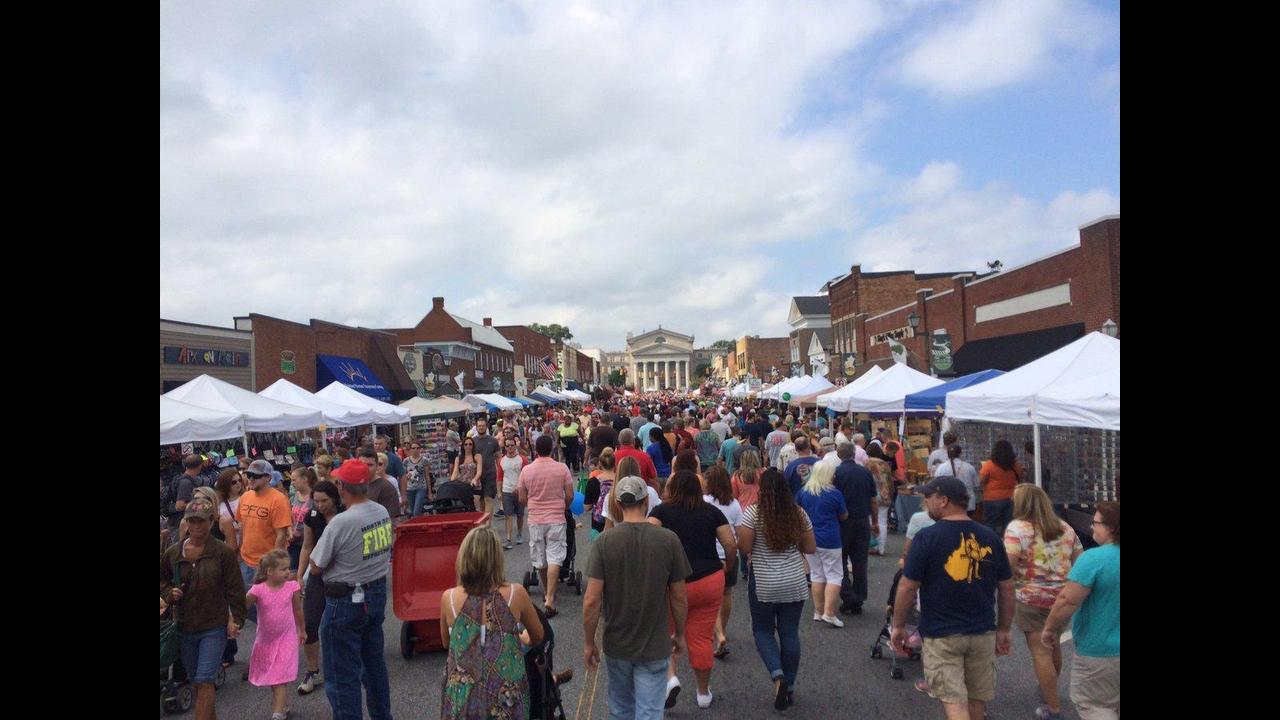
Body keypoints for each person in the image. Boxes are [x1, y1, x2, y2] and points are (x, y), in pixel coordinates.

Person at [892, 476, 1014, 720]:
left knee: (954, 702)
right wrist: (1003, 629)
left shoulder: (926, 537)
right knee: (976, 701)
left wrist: (897, 625)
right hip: (982, 631)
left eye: (929, 499)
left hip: (941, 633)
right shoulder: (990, 537)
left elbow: (907, 586)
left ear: (944, 500)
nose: (926, 504)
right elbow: (1007, 587)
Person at [583, 475, 691, 720]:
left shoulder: (603, 542)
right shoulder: (668, 540)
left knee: (620, 710)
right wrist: (681, 633)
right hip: (654, 644)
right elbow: (679, 596)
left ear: (618, 505)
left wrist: (589, 642)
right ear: (645, 502)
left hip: (618, 643)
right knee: (650, 711)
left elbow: (591, 600)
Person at [307, 459, 394, 720]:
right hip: (375, 592)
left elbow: (315, 566)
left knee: (342, 676)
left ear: (342, 486)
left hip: (345, 600)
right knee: (374, 666)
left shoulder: (341, 522)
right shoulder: (380, 511)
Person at [649, 470, 736, 709]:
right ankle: (703, 692)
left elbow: (647, 538)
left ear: (673, 489)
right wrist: (728, 565)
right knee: (700, 638)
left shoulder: (661, 512)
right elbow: (730, 543)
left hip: (673, 583)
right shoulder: (712, 512)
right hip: (708, 579)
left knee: (665, 632)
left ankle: (671, 678)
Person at [735, 468, 817, 710]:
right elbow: (810, 547)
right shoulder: (798, 513)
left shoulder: (753, 513)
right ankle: (789, 686)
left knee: (762, 630)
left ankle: (777, 674)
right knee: (790, 632)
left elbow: (746, 546)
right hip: (794, 579)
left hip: (764, 581)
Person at [440, 526, 543, 718]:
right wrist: (523, 638)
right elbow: (538, 636)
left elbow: (447, 643)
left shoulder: (449, 598)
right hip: (504, 694)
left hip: (465, 696)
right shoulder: (516, 594)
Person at [160, 500, 248, 720]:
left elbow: (235, 589)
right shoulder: (173, 553)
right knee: (197, 682)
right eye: (191, 521)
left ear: (211, 521)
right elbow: (162, 582)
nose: (196, 526)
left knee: (205, 679)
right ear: (186, 523)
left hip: (214, 625)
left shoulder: (223, 553)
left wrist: (236, 620)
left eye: (201, 521)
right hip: (184, 626)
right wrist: (170, 593)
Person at [1003, 484, 1083, 720]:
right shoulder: (1064, 527)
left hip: (1031, 597)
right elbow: (1079, 558)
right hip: (1061, 597)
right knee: (1053, 644)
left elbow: (1008, 563)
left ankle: (1053, 707)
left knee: (1040, 652)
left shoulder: (1017, 529)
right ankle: (1050, 688)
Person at [1041, 502, 1120, 720]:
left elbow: (1067, 600)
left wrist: (1049, 628)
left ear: (1111, 527)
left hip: (1100, 650)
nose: (1092, 527)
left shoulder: (1093, 559)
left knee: (1094, 704)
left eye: (1095, 523)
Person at [518, 434, 575, 617]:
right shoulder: (562, 468)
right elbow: (570, 495)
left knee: (540, 557)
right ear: (551, 448)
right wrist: (563, 507)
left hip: (536, 518)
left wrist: (532, 506)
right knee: (555, 556)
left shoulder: (526, 470)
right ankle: (550, 597)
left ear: (536, 449)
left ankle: (546, 592)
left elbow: (521, 497)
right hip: (556, 517)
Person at [245, 549, 304, 720]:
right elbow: (243, 606)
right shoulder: (258, 590)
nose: (288, 572)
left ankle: (277, 714)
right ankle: (282, 705)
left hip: (287, 638)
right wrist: (233, 620)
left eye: (288, 568)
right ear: (269, 571)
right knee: (274, 677)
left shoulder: (291, 587)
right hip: (266, 640)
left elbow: (298, 610)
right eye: (283, 569)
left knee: (279, 677)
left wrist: (302, 629)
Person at [296, 479, 342, 695]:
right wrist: (299, 575)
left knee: (341, 623)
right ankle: (313, 671)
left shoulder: (344, 515)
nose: (320, 505)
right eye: (316, 501)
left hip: (342, 575)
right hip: (317, 573)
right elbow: (307, 546)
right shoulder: (311, 516)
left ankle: (346, 664)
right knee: (311, 622)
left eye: (324, 501)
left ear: (335, 498)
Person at [794, 461, 849, 627]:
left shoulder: (803, 492)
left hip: (809, 538)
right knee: (834, 575)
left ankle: (818, 611)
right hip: (830, 538)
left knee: (816, 574)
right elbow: (844, 515)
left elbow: (796, 511)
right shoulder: (834, 494)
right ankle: (829, 612)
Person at [238, 459, 292, 622]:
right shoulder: (245, 496)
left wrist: (273, 563)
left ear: (268, 478)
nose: (251, 479)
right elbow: (243, 525)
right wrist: (240, 551)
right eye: (248, 475)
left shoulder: (278, 499)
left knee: (269, 604)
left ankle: (277, 631)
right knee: (250, 606)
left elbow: (281, 534)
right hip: (246, 559)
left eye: (256, 476)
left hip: (266, 562)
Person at [701, 465, 742, 659]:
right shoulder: (734, 504)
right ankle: (722, 629)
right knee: (726, 593)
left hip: (709, 554)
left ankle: (717, 633)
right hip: (729, 553)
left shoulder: (704, 501)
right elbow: (739, 533)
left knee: (709, 598)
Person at [832, 443, 877, 616]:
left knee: (840, 560)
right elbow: (873, 499)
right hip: (862, 519)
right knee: (860, 562)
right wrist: (875, 521)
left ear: (839, 454)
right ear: (853, 454)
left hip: (842, 521)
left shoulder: (836, 473)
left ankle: (847, 594)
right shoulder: (866, 472)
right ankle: (858, 597)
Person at [979, 440, 1023, 535]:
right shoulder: (1016, 465)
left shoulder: (989, 465)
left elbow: (982, 481)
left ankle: (990, 544)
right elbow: (1020, 479)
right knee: (1009, 525)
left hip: (992, 498)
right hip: (1012, 498)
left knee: (990, 524)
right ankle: (1008, 544)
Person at [497, 436, 527, 549]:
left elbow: (526, 476)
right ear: (505, 447)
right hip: (507, 490)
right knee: (508, 515)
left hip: (520, 491)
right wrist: (499, 492)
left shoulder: (522, 459)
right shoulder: (502, 460)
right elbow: (499, 478)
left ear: (515, 446)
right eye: (507, 445)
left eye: (512, 445)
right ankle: (508, 538)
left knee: (520, 514)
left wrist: (521, 487)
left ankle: (519, 534)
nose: (510, 447)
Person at [933, 444, 980, 517]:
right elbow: (977, 484)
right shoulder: (969, 467)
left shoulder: (941, 468)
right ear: (960, 454)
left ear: (947, 454)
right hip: (968, 504)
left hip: (949, 505)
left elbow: (935, 486)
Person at [585, 447, 618, 541]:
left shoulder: (592, 482)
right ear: (615, 464)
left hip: (598, 522)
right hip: (617, 520)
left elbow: (587, 507)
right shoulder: (620, 480)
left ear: (600, 464)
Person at [287, 467, 315, 570]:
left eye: (294, 480)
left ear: (305, 479)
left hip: (309, 543)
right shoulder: (295, 496)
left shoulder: (314, 497)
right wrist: (290, 531)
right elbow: (290, 516)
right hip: (294, 542)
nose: (292, 483)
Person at [474, 418, 503, 516]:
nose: (481, 428)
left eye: (483, 426)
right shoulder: (472, 441)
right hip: (477, 475)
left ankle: (488, 525)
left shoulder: (493, 440)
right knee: (482, 500)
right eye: (479, 426)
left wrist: (501, 471)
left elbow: (499, 457)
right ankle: (483, 523)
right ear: (476, 427)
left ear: (486, 427)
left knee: (488, 498)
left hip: (490, 473)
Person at [451, 436, 483, 511]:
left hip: (474, 484)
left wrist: (475, 479)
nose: (468, 446)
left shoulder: (477, 456)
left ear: (473, 446)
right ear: (463, 446)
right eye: (466, 444)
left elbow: (479, 471)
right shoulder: (458, 458)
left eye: (470, 444)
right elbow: (455, 472)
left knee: (476, 507)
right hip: (463, 486)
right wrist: (451, 482)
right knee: (464, 508)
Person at [403, 440, 432, 518]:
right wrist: (406, 476)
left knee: (416, 512)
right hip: (410, 489)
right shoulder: (406, 461)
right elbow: (403, 477)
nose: (415, 450)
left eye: (417, 448)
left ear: (420, 449)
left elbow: (427, 476)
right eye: (413, 448)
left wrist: (429, 492)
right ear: (410, 449)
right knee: (414, 511)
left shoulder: (424, 460)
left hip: (421, 487)